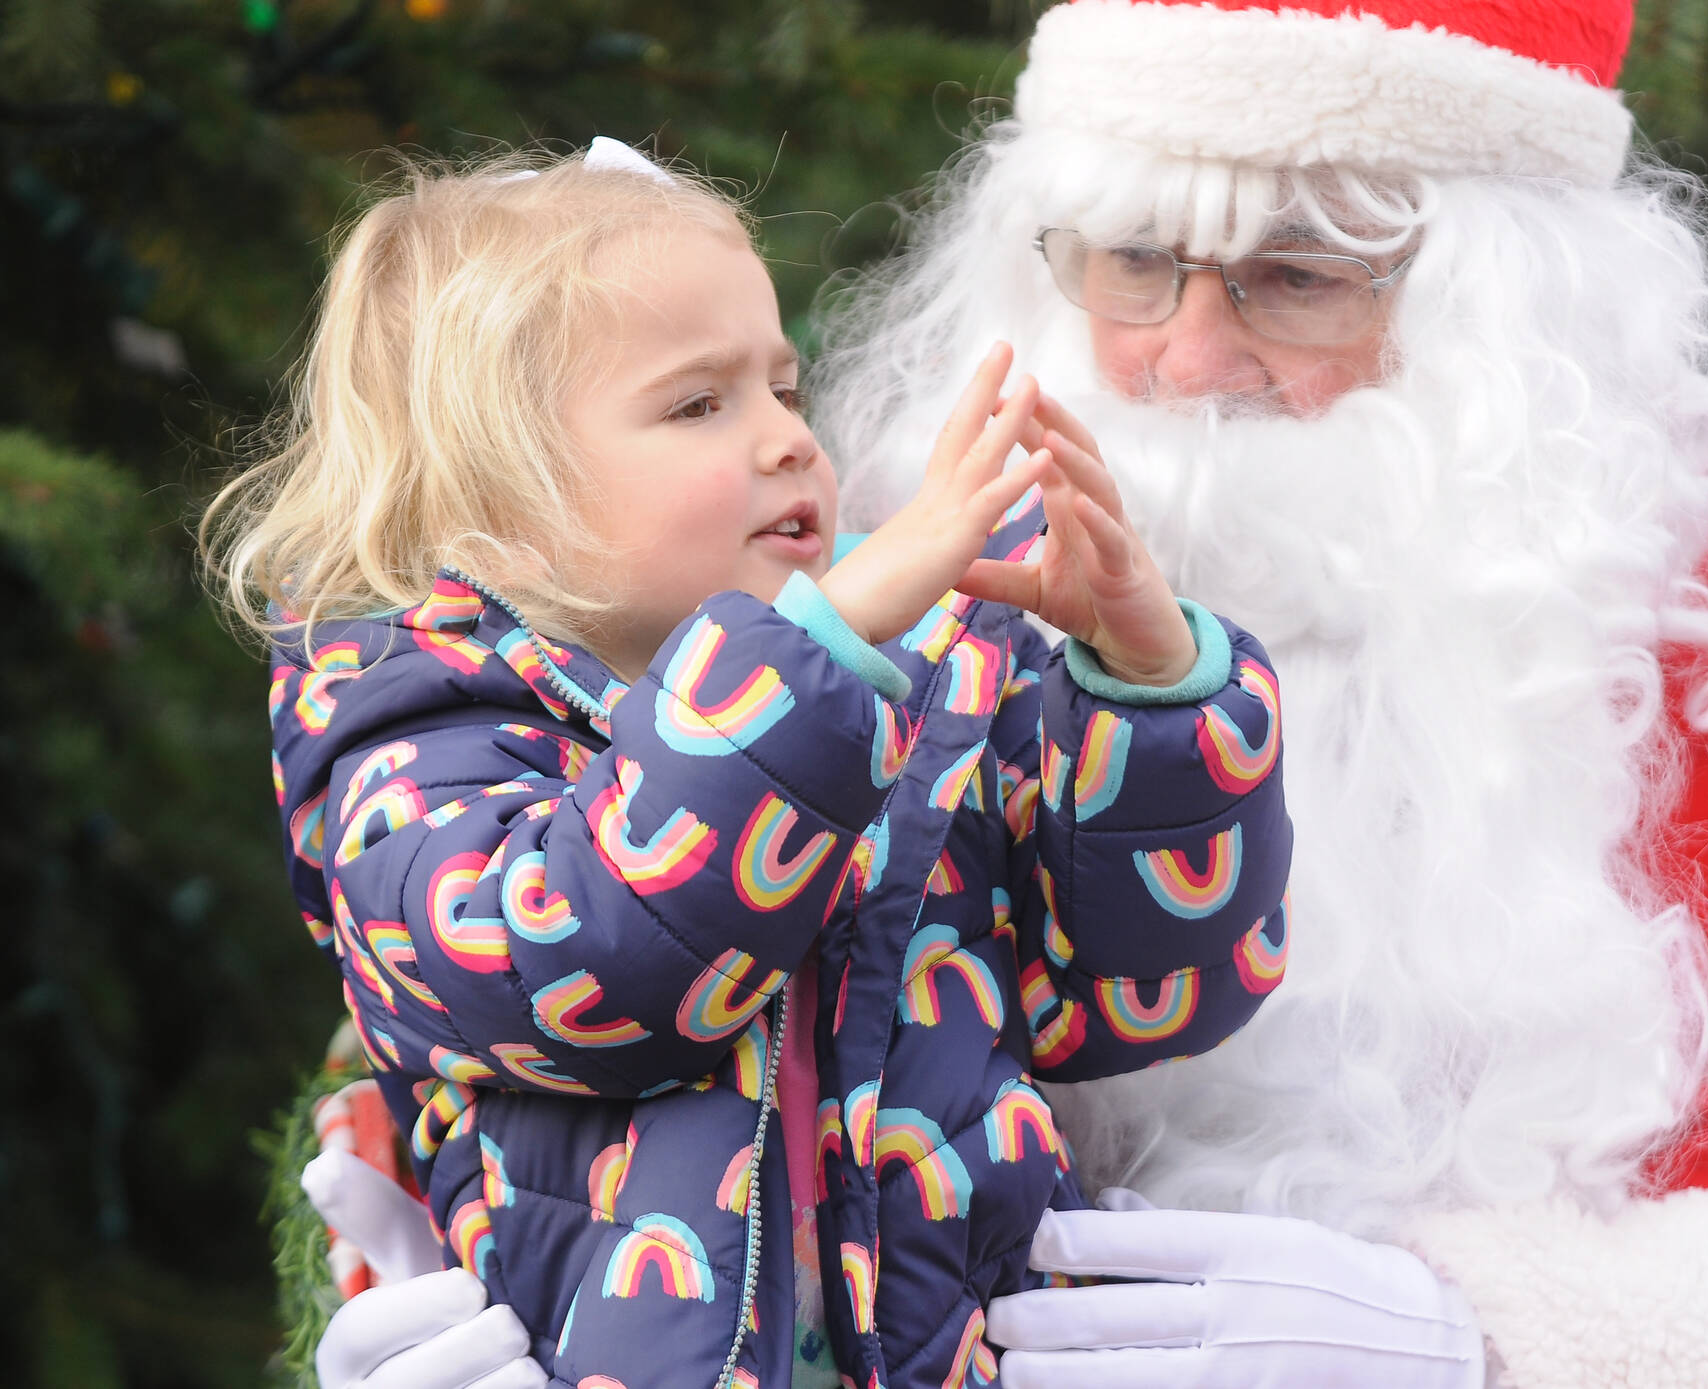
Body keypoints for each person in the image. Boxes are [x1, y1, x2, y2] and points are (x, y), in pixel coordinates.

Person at [304, 1, 1708, 1385]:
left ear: (1507, 310)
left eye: (1296, 275)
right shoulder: (815, 600)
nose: (1185, 361)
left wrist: (1509, 1343)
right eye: (1130, 263)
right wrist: (415, 1285)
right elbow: (543, 986)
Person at [208, 138, 1292, 1389]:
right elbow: (599, 961)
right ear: (489, 507)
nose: (787, 439)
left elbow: (1136, 995)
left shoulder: (919, 699)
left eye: (784, 387)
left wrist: (1149, 687)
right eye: (697, 403)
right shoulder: (422, 745)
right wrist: (817, 650)